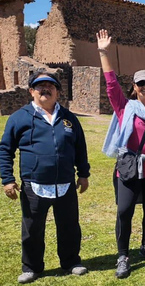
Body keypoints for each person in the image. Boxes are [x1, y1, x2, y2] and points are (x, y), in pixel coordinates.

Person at [0, 69, 90, 284]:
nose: (45, 89)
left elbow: (80, 148)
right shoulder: (19, 117)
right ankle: (31, 267)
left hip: (66, 185)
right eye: (40, 86)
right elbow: (5, 149)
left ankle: (71, 262)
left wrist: (83, 174)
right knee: (32, 229)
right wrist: (8, 179)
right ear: (31, 91)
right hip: (34, 186)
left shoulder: (69, 119)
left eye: (50, 86)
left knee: (69, 226)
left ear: (57, 92)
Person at [97, 29, 145, 279]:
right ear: (134, 86)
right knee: (124, 211)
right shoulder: (125, 108)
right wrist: (103, 52)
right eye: (140, 83)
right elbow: (110, 86)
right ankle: (123, 255)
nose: (144, 87)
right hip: (128, 168)